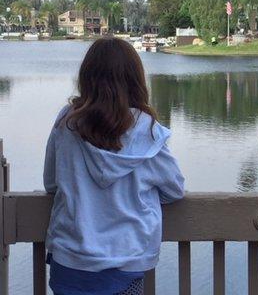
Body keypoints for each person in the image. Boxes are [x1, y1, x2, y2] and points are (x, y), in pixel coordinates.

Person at [43, 37, 185, 295]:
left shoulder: (67, 121)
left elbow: (51, 183)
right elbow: (174, 190)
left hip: (71, 259)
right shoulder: (147, 131)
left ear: (87, 77)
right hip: (126, 259)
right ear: (135, 80)